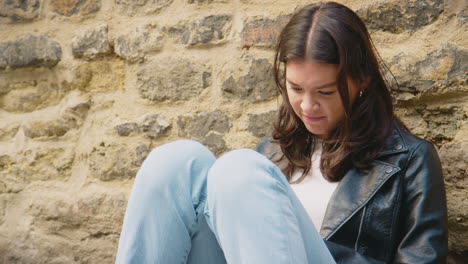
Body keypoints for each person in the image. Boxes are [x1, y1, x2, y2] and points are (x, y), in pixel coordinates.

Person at [115, 2, 448, 263]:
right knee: (175, 162)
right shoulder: (270, 155)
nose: (307, 106)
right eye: (295, 88)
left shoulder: (409, 160)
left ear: (361, 81)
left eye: (326, 92)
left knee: (238, 168)